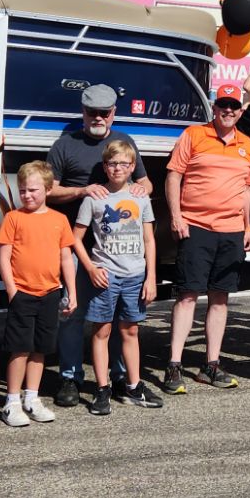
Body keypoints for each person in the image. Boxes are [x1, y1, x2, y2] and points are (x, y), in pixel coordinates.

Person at [47, 84, 154, 408]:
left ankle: (121, 378)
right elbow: (49, 191)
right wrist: (82, 191)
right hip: (76, 247)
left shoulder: (124, 142)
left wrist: (142, 189)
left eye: (104, 112)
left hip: (120, 253)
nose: (98, 117)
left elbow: (145, 182)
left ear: (113, 113)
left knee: (120, 320)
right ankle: (70, 377)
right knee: (72, 312)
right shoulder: (65, 145)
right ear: (83, 112)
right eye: (92, 112)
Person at [162, 85, 250, 393]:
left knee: (220, 298)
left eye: (234, 106)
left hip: (231, 231)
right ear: (214, 108)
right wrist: (176, 217)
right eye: (223, 105)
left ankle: (211, 365)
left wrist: (247, 227)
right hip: (196, 226)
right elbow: (173, 176)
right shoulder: (193, 134)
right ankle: (174, 365)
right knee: (187, 295)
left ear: (240, 112)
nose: (228, 111)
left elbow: (247, 190)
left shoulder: (247, 145)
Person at [72, 140, 164, 414]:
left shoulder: (140, 197)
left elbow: (149, 239)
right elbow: (75, 238)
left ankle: (134, 386)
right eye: (112, 164)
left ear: (132, 167)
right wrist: (91, 268)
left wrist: (151, 277)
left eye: (124, 164)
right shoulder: (94, 198)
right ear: (105, 166)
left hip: (135, 275)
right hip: (106, 275)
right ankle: (102, 389)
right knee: (102, 331)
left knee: (130, 330)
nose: (117, 168)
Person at [0, 161, 78, 427]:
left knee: (41, 349)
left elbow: (66, 258)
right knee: (20, 349)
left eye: (33, 190)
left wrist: (72, 292)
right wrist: (12, 291)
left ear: (48, 189)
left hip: (50, 292)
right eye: (22, 190)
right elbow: (4, 256)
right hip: (22, 294)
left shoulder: (59, 220)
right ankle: (12, 401)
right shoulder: (13, 218)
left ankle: (32, 397)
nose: (27, 195)